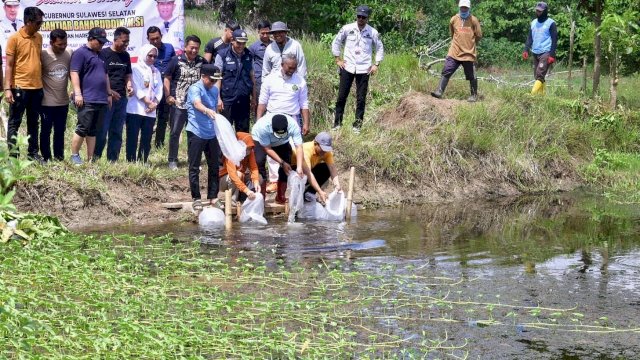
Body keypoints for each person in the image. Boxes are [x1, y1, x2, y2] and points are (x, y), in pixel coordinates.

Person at [331, 5, 384, 133]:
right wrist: (338, 59)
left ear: (367, 18)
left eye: (363, 17)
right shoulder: (347, 28)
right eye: (359, 16)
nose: (361, 19)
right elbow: (336, 42)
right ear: (356, 16)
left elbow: (379, 48)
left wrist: (376, 64)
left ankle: (357, 126)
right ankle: (337, 123)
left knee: (361, 99)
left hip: (364, 69)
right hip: (347, 67)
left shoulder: (373, 32)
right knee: (342, 96)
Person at [4, 6, 44, 161]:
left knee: (34, 122)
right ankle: (14, 156)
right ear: (28, 21)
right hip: (20, 88)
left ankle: (33, 154)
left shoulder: (39, 37)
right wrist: (8, 88)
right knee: (15, 122)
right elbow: (9, 65)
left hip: (37, 88)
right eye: (38, 23)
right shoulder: (14, 38)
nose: (40, 25)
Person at [69, 27, 112, 165]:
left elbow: (106, 75)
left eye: (103, 42)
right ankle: (74, 155)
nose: (101, 44)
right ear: (91, 39)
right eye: (99, 42)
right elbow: (74, 73)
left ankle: (90, 159)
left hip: (101, 99)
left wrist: (109, 93)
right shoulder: (80, 53)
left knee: (93, 130)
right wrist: (78, 93)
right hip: (87, 98)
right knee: (83, 127)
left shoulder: (102, 54)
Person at [164, 34, 207, 170]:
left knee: (194, 133)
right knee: (175, 132)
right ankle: (172, 160)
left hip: (196, 104)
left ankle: (193, 160)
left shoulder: (202, 62)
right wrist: (168, 96)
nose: (194, 51)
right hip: (179, 103)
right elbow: (167, 78)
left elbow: (207, 79)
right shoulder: (175, 61)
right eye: (191, 48)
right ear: (185, 47)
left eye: (196, 48)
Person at [185, 64, 222, 211]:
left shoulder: (214, 89)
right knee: (194, 166)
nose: (213, 83)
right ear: (203, 76)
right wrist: (207, 110)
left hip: (211, 132)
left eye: (215, 81)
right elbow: (197, 103)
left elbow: (216, 106)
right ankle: (196, 198)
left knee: (214, 165)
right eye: (211, 80)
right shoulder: (195, 88)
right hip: (196, 131)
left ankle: (213, 197)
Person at [430, 0, 482, 102]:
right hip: (454, 52)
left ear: (469, 8)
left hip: (468, 53)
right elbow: (452, 34)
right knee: (447, 70)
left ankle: (474, 95)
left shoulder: (474, 20)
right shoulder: (454, 19)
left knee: (471, 75)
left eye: (466, 8)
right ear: (459, 7)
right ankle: (439, 91)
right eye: (462, 7)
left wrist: (470, 44)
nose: (464, 9)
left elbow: (479, 35)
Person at [95, 27, 133, 162]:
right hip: (106, 99)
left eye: (128, 42)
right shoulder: (103, 54)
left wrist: (129, 85)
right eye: (124, 41)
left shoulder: (126, 55)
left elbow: (128, 74)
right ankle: (95, 159)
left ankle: (113, 160)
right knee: (102, 131)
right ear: (115, 39)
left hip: (122, 99)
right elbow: (100, 76)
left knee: (117, 131)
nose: (126, 44)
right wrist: (109, 92)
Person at [251, 113, 306, 204]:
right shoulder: (262, 127)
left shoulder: (293, 126)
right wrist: (281, 162)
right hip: (260, 140)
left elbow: (299, 147)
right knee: (259, 161)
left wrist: (299, 167)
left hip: (282, 142)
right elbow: (267, 148)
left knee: (287, 162)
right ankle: (261, 196)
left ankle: (280, 196)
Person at [125, 44, 162, 163]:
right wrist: (147, 102)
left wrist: (154, 103)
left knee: (146, 138)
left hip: (150, 111)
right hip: (136, 109)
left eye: (154, 56)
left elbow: (159, 89)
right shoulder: (135, 68)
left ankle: (142, 162)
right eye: (150, 55)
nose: (152, 58)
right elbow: (136, 87)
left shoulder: (156, 71)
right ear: (143, 54)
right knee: (132, 138)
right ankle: (130, 162)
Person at [214, 28, 256, 132]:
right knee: (225, 131)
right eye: (239, 43)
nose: (241, 46)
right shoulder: (222, 55)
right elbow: (217, 79)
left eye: (244, 43)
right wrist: (218, 98)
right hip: (227, 100)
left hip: (244, 99)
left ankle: (243, 149)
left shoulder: (249, 55)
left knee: (243, 132)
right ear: (232, 40)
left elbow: (252, 78)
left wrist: (254, 98)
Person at [40, 29, 72, 162]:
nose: (63, 46)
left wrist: (75, 89)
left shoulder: (69, 52)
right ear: (51, 43)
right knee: (46, 131)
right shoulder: (43, 54)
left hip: (63, 102)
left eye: (65, 43)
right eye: (60, 44)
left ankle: (59, 158)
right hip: (46, 102)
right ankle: (46, 158)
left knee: (60, 131)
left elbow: (72, 73)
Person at [257, 54, 309, 134]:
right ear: (282, 65)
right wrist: (259, 122)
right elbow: (263, 102)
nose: (292, 70)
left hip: (292, 120)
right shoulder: (270, 79)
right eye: (289, 68)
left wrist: (306, 124)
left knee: (294, 146)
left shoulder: (300, 81)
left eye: (294, 68)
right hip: (272, 119)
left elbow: (304, 104)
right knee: (271, 145)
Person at [291, 132, 341, 203]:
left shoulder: (326, 152)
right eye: (323, 149)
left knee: (325, 168)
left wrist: (337, 185)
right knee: (303, 176)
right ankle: (299, 196)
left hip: (308, 169)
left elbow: (332, 168)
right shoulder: (306, 150)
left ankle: (309, 193)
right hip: (293, 171)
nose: (324, 152)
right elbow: (308, 174)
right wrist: (320, 191)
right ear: (315, 143)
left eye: (326, 149)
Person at [147, 26, 176, 148]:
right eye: (152, 39)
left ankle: (159, 143)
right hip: (150, 90)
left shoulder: (169, 48)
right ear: (148, 39)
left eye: (157, 38)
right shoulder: (147, 51)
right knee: (149, 118)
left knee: (163, 118)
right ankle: (146, 143)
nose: (155, 41)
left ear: (161, 37)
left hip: (166, 88)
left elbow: (175, 65)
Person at [523, 2, 557, 95]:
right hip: (535, 52)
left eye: (540, 11)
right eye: (537, 10)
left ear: (545, 11)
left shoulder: (551, 23)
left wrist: (552, 55)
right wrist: (526, 49)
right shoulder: (533, 22)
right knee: (537, 76)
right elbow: (530, 37)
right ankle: (542, 95)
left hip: (546, 52)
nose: (537, 12)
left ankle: (532, 94)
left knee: (540, 74)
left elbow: (554, 40)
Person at [218, 132, 261, 203]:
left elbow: (254, 168)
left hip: (239, 179)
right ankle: (232, 199)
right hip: (225, 181)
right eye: (247, 148)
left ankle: (243, 198)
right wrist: (246, 190)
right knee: (238, 174)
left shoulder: (250, 153)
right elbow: (233, 175)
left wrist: (256, 181)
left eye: (250, 148)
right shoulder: (231, 154)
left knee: (259, 178)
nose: (248, 151)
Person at [248, 20, 271, 107]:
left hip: (273, 80)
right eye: (262, 33)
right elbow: (249, 66)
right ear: (258, 32)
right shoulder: (253, 47)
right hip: (259, 81)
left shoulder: (275, 45)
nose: (265, 35)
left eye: (267, 33)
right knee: (259, 106)